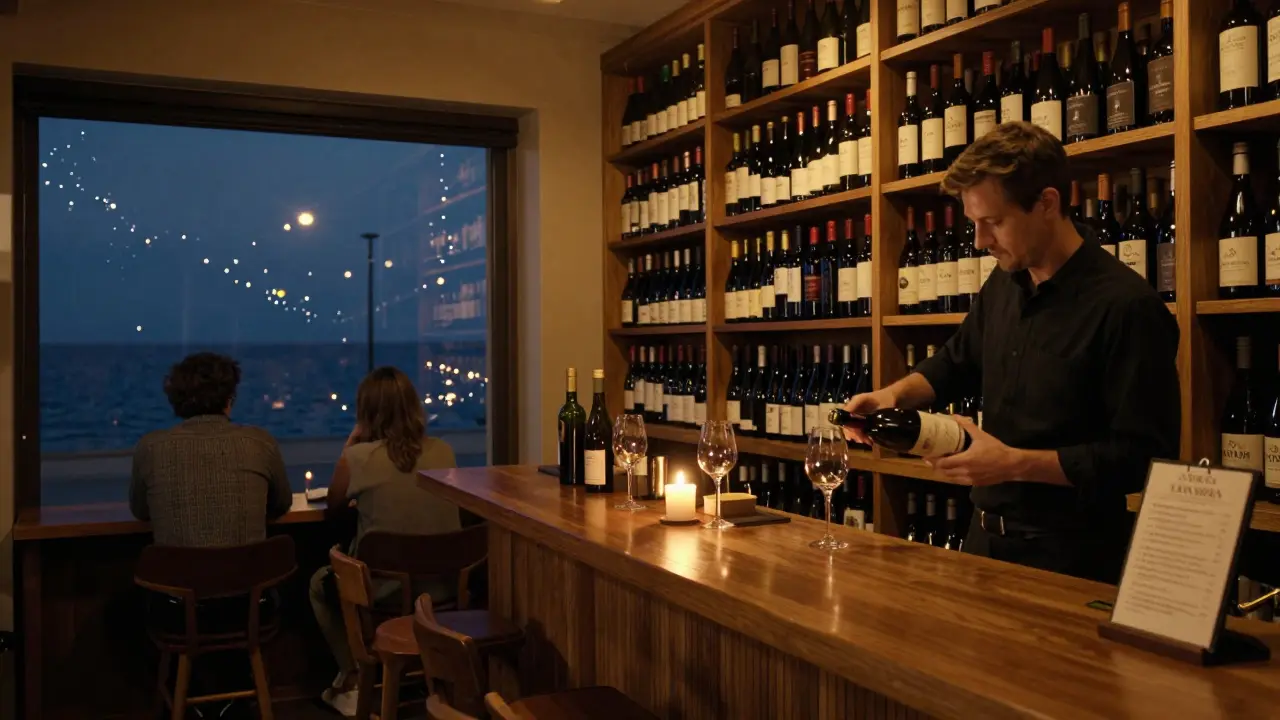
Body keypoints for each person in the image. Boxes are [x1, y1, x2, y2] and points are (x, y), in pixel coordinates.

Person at [842, 122, 1179, 583]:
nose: (980, 241)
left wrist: (1014, 463)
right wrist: (893, 395)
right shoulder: (1004, 283)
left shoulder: (1128, 307)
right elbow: (956, 361)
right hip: (981, 543)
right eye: (973, 224)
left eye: (994, 222)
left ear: (1047, 204)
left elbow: (1143, 458)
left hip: (1073, 559)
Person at [310, 366, 460, 716]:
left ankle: (353, 676)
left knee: (319, 584)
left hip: (383, 594)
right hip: (444, 592)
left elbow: (332, 508)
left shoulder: (358, 457)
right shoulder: (444, 452)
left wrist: (349, 446)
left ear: (366, 414)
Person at [130, 351, 292, 547]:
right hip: (250, 575)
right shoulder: (260, 442)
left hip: (176, 576)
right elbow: (281, 504)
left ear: (175, 399)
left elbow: (140, 511)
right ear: (229, 399)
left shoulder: (150, 448)